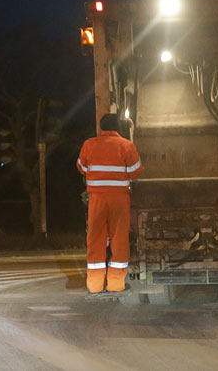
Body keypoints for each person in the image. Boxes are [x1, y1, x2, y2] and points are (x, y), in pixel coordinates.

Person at [77, 113, 144, 297]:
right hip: (119, 200)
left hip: (97, 200)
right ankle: (115, 285)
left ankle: (95, 286)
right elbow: (136, 171)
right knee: (119, 240)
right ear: (118, 128)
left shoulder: (89, 145)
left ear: (101, 127)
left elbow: (81, 167)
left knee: (95, 240)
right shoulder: (126, 145)